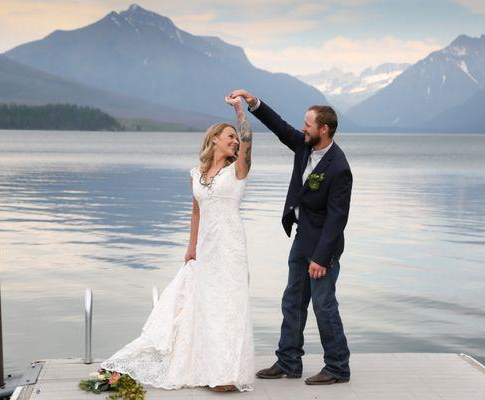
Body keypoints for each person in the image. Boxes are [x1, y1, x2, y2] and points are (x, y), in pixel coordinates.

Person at [100, 95, 255, 392]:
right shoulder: (196, 175)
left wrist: (240, 114)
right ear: (214, 140)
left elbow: (248, 140)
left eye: (236, 138)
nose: (235, 141)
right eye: (230, 136)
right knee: (206, 308)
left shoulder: (238, 171)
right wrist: (191, 248)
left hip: (231, 247)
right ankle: (208, 367)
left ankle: (227, 374)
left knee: (229, 307)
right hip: (206, 249)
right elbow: (196, 211)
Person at [230, 89, 352, 385]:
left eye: (308, 124)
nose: (302, 128)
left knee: (324, 305)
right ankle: (288, 361)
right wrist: (253, 102)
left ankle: (337, 367)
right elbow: (279, 125)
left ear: (324, 129)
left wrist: (321, 258)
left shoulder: (339, 168)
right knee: (293, 301)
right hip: (301, 238)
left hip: (324, 246)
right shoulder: (303, 146)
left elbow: (338, 219)